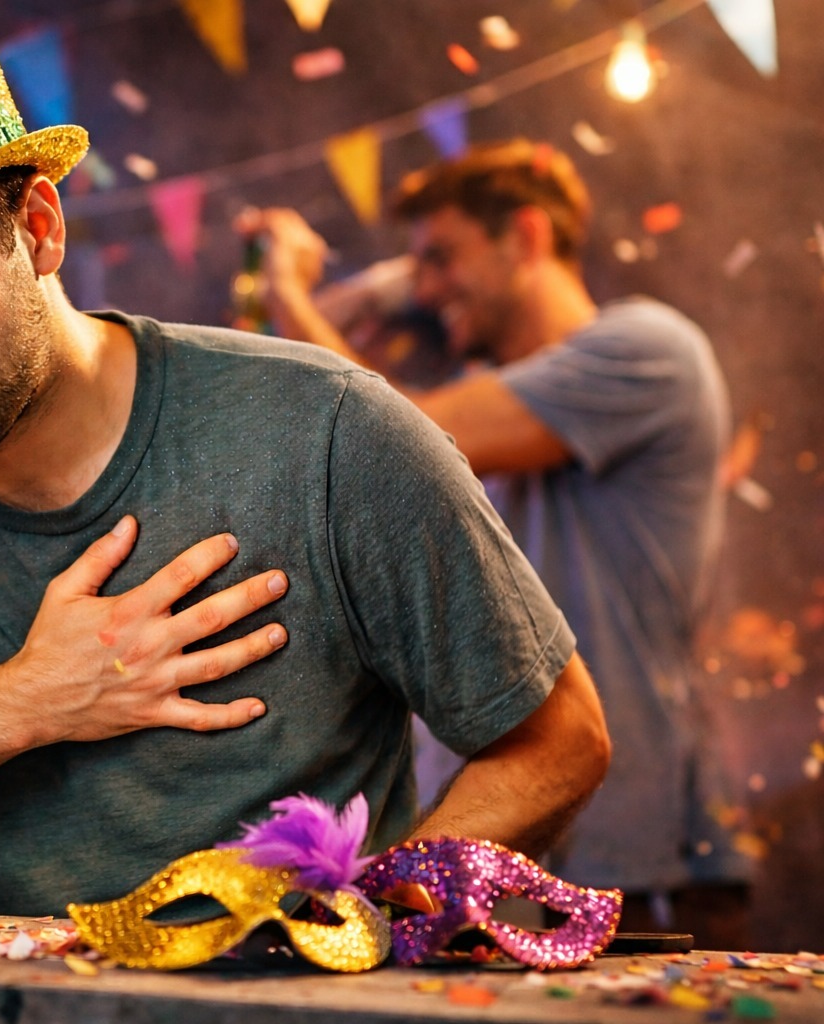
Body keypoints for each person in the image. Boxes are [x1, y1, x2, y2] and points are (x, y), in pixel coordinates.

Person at [0, 23, 610, 916]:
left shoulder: (326, 429)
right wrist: (21, 702)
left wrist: (378, 921)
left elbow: (559, 738)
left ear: (40, 230)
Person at [244, 139, 749, 947]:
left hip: (641, 855)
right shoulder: (485, 416)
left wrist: (290, 291)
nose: (430, 287)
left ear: (526, 236)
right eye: (420, 270)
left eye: (443, 258)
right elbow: (319, 384)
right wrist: (378, 287)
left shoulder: (647, 347)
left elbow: (383, 427)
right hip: (505, 848)